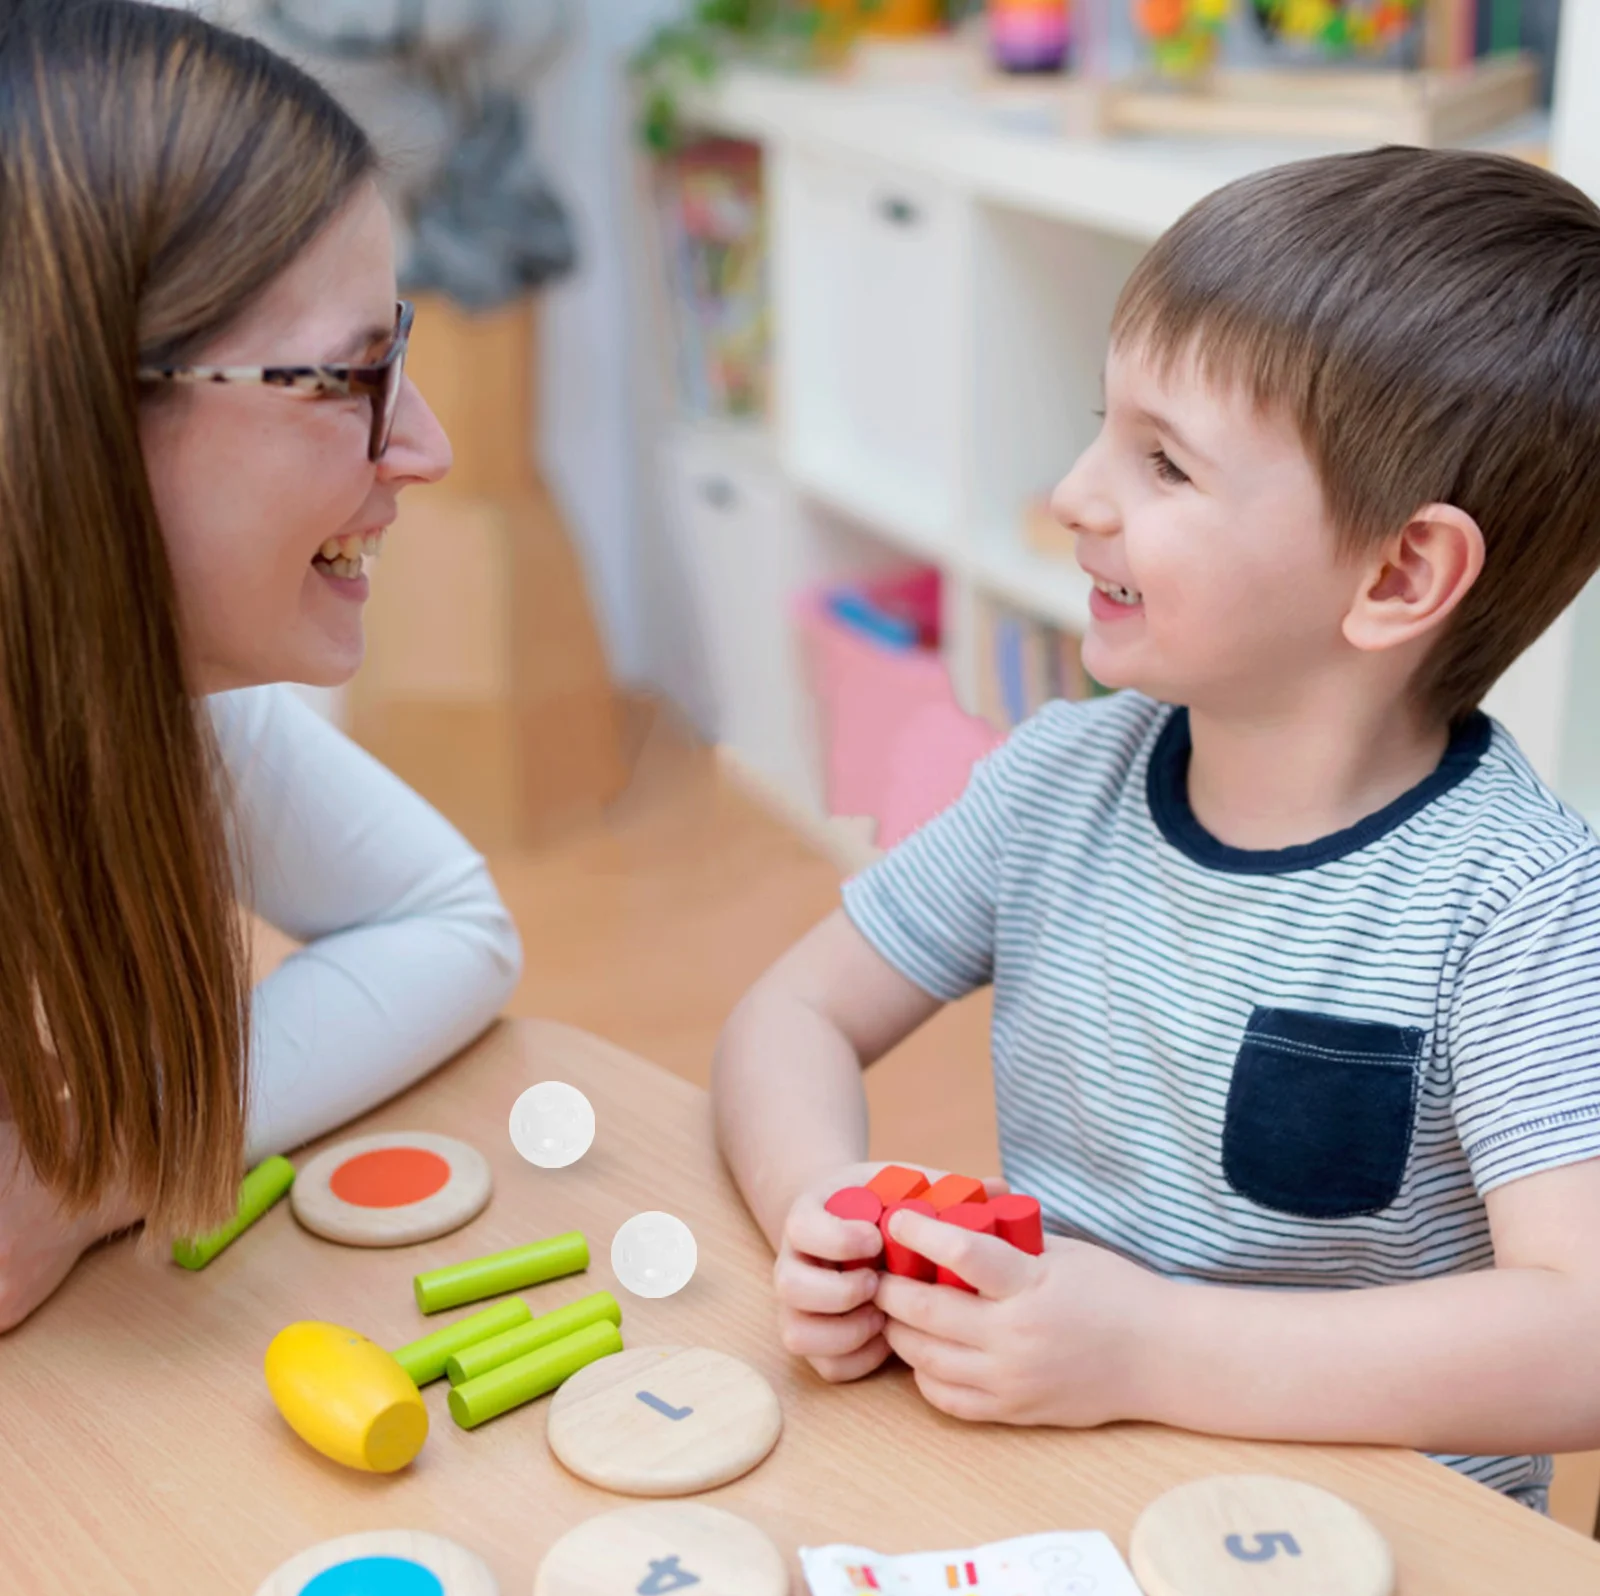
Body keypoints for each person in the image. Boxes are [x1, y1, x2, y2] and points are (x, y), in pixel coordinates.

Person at [713, 145, 1600, 1513]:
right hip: (1074, 1476)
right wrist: (818, 1208)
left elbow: (1581, 1341)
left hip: (1371, 1537)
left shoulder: (1520, 901)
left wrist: (1150, 1348)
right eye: (1102, 425)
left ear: (1399, 571)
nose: (1077, 492)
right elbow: (790, 1017)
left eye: (1164, 463)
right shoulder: (1053, 785)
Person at [0, 0, 523, 1332]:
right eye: (349, 375)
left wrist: (91, 1168)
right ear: (80, 406)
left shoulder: (154, 700)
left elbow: (445, 923)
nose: (425, 444)